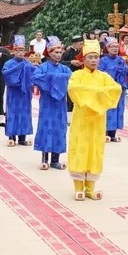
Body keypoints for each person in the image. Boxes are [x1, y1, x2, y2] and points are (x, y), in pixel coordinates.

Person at [67, 40, 122, 201]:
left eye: (96, 57)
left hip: (98, 120)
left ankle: (90, 188)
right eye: (90, 57)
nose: (93, 60)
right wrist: (98, 94)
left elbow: (116, 89)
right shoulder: (76, 75)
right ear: (83, 59)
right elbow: (73, 90)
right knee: (80, 148)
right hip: (81, 119)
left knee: (95, 151)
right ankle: (78, 187)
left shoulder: (104, 77)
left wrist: (92, 93)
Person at [32, 37, 71, 170]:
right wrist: (54, 79)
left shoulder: (65, 69)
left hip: (60, 104)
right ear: (49, 53)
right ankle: (44, 158)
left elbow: (72, 79)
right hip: (47, 103)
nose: (58, 55)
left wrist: (52, 79)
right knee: (46, 127)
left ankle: (55, 160)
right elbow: (35, 78)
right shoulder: (42, 67)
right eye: (55, 53)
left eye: (60, 53)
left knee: (59, 129)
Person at [2, 35, 34, 147]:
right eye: (17, 50)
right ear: (13, 51)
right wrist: (18, 80)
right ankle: (11, 136)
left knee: (24, 114)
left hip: (25, 93)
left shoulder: (27, 64)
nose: (20, 52)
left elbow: (34, 75)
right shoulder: (8, 64)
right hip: (14, 92)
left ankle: (22, 138)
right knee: (13, 113)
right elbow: (6, 74)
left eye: (22, 50)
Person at [98, 38, 128, 142]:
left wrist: (123, 71)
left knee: (118, 110)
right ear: (107, 48)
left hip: (118, 89)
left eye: (116, 47)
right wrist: (113, 71)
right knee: (108, 110)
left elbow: (126, 72)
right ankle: (105, 133)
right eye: (112, 47)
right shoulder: (103, 60)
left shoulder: (121, 60)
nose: (115, 49)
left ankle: (113, 133)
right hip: (108, 90)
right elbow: (100, 74)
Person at [60, 36, 84, 123]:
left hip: (82, 76)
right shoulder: (67, 52)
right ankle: (69, 117)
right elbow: (61, 63)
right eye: (79, 44)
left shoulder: (83, 52)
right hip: (71, 76)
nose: (81, 45)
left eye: (82, 43)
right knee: (71, 97)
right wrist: (71, 62)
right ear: (74, 43)